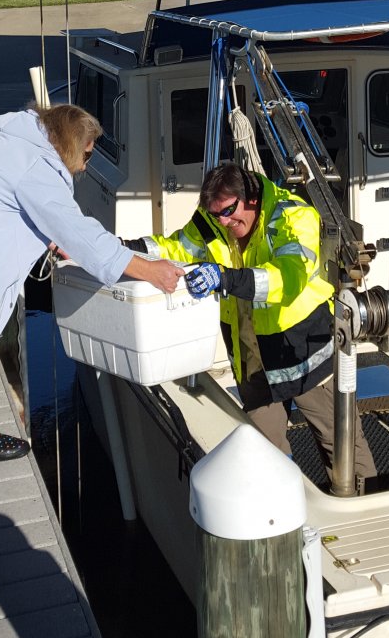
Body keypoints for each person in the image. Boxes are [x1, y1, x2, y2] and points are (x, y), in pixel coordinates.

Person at [0, 103, 183, 462]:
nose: (86, 165)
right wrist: (150, 270)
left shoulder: (13, 144)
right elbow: (80, 233)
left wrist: (51, 236)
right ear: (71, 143)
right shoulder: (35, 166)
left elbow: (7, 202)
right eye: (86, 153)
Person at [124, 162, 375, 484]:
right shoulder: (212, 220)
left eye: (229, 211)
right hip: (251, 356)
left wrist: (224, 278)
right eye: (217, 215)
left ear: (252, 198)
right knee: (265, 450)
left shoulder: (294, 218)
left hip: (303, 353)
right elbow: (177, 246)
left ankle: (362, 502)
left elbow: (287, 279)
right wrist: (124, 250)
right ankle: (283, 513)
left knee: (341, 444)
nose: (224, 222)